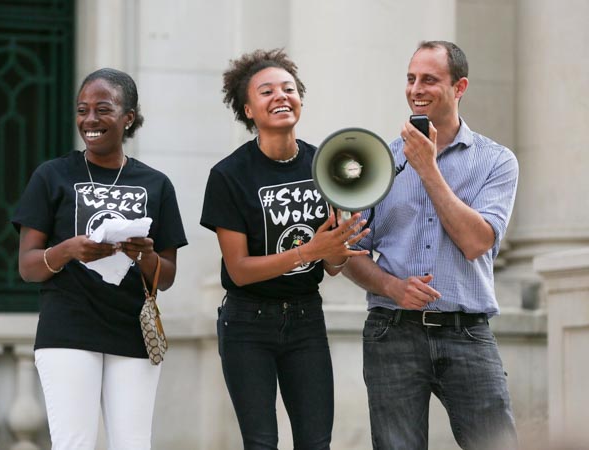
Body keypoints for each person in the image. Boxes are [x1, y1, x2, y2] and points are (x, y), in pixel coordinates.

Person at [342, 41, 519, 450]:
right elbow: (349, 254)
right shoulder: (378, 161)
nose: (416, 89)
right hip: (392, 332)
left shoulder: (496, 161)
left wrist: (427, 168)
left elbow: (476, 242)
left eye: (429, 79)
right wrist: (392, 287)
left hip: (467, 331)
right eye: (410, 79)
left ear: (459, 87)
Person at [200, 48, 370, 450]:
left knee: (316, 443)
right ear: (248, 109)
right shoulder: (228, 175)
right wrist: (309, 251)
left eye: (288, 88)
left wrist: (337, 246)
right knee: (261, 444)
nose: (280, 96)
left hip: (306, 319)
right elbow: (239, 269)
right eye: (266, 91)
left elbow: (331, 265)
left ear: (300, 99)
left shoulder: (323, 163)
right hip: (246, 324)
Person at [12, 68, 187, 450]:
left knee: (133, 443)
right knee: (74, 443)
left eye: (103, 109)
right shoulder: (52, 175)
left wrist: (145, 255)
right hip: (68, 329)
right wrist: (68, 250)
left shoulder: (156, 183)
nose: (89, 120)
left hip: (132, 331)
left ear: (128, 117)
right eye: (82, 109)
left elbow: (168, 276)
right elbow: (27, 266)